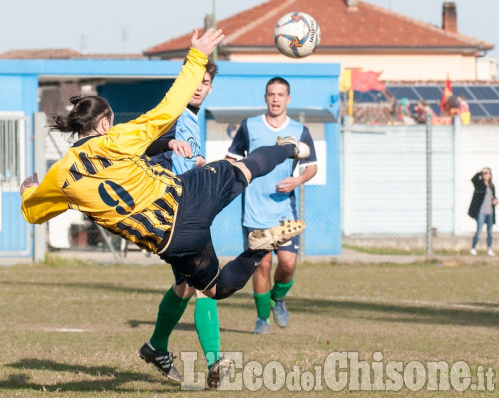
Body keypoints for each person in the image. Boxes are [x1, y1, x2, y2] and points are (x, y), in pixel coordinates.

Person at [20, 25, 306, 357]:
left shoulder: (61, 176)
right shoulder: (115, 140)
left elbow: (33, 212)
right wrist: (196, 55)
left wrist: (29, 192)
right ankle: (288, 149)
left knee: (212, 288)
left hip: (170, 239)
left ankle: (254, 254)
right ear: (102, 125)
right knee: (244, 168)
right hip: (187, 194)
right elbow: (168, 110)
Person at [139, 59, 230, 388]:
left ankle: (156, 346)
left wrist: (204, 165)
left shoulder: (190, 117)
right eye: (195, 79)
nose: (199, 86)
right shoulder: (171, 115)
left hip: (182, 215)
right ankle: (214, 361)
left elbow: (184, 162)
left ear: (210, 86)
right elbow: (144, 148)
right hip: (175, 217)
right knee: (208, 286)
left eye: (205, 81)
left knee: (186, 286)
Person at [225, 77, 317, 334]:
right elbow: (231, 158)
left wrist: (297, 180)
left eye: (280, 94)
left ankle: (279, 298)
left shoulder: (300, 131)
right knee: (262, 265)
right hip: (254, 211)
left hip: (284, 212)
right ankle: (262, 318)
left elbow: (312, 167)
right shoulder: (249, 126)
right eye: (271, 94)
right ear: (265, 98)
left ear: (288, 99)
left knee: (287, 264)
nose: (275, 99)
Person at [468, 168, 498, 256]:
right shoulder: (479, 184)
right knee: (479, 230)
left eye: (487, 173)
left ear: (490, 175)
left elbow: (494, 197)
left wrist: (496, 201)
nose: (485, 175)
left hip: (490, 212)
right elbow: (473, 179)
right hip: (481, 212)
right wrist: (481, 172)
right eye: (484, 173)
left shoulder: (491, 186)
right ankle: (473, 248)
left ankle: (489, 249)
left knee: (489, 231)